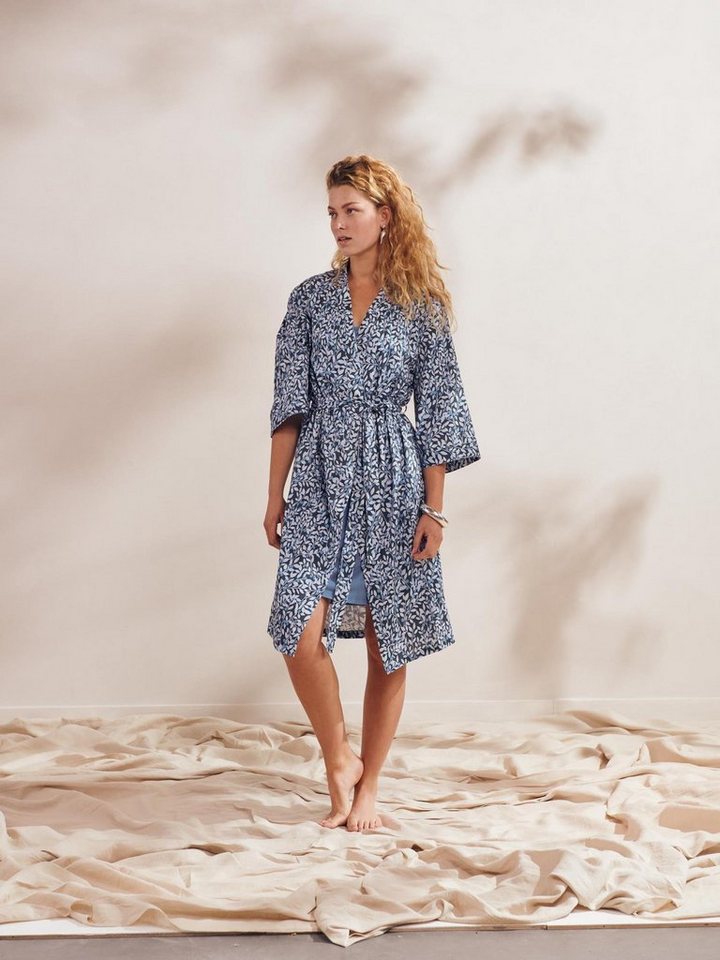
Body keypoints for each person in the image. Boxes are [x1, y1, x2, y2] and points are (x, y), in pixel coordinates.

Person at [264, 155, 481, 832]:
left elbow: (439, 412)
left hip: (394, 479)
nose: (338, 223)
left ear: (384, 216)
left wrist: (434, 508)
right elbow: (289, 406)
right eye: (332, 212)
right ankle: (338, 758)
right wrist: (274, 496)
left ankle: (371, 785)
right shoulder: (308, 299)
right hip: (320, 476)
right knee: (297, 631)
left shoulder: (421, 305)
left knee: (391, 641)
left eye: (351, 210)